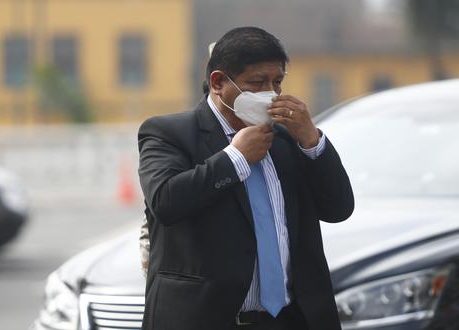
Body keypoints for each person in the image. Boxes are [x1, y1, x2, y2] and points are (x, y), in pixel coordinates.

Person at [137, 26, 354, 330]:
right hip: (206, 320)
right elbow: (166, 202)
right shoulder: (168, 133)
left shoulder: (286, 138)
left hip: (289, 319)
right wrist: (235, 158)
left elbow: (339, 208)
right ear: (218, 82)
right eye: (257, 82)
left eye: (277, 82)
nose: (270, 92)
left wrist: (311, 140)